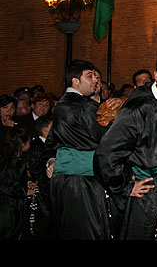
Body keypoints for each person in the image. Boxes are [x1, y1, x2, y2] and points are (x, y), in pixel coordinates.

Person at [94, 52, 157, 240]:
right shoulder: (137, 108)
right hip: (148, 193)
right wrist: (124, 186)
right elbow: (107, 154)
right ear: (156, 76)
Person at [43, 59, 112, 240]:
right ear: (75, 81)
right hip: (82, 182)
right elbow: (108, 139)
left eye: (96, 77)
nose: (94, 81)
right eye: (89, 77)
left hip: (68, 181)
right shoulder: (82, 105)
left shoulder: (62, 105)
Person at [0, 127, 33, 239]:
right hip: (9, 208)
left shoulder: (9, 157)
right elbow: (4, 186)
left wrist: (26, 184)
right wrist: (24, 191)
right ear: (22, 144)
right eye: (28, 141)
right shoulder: (13, 162)